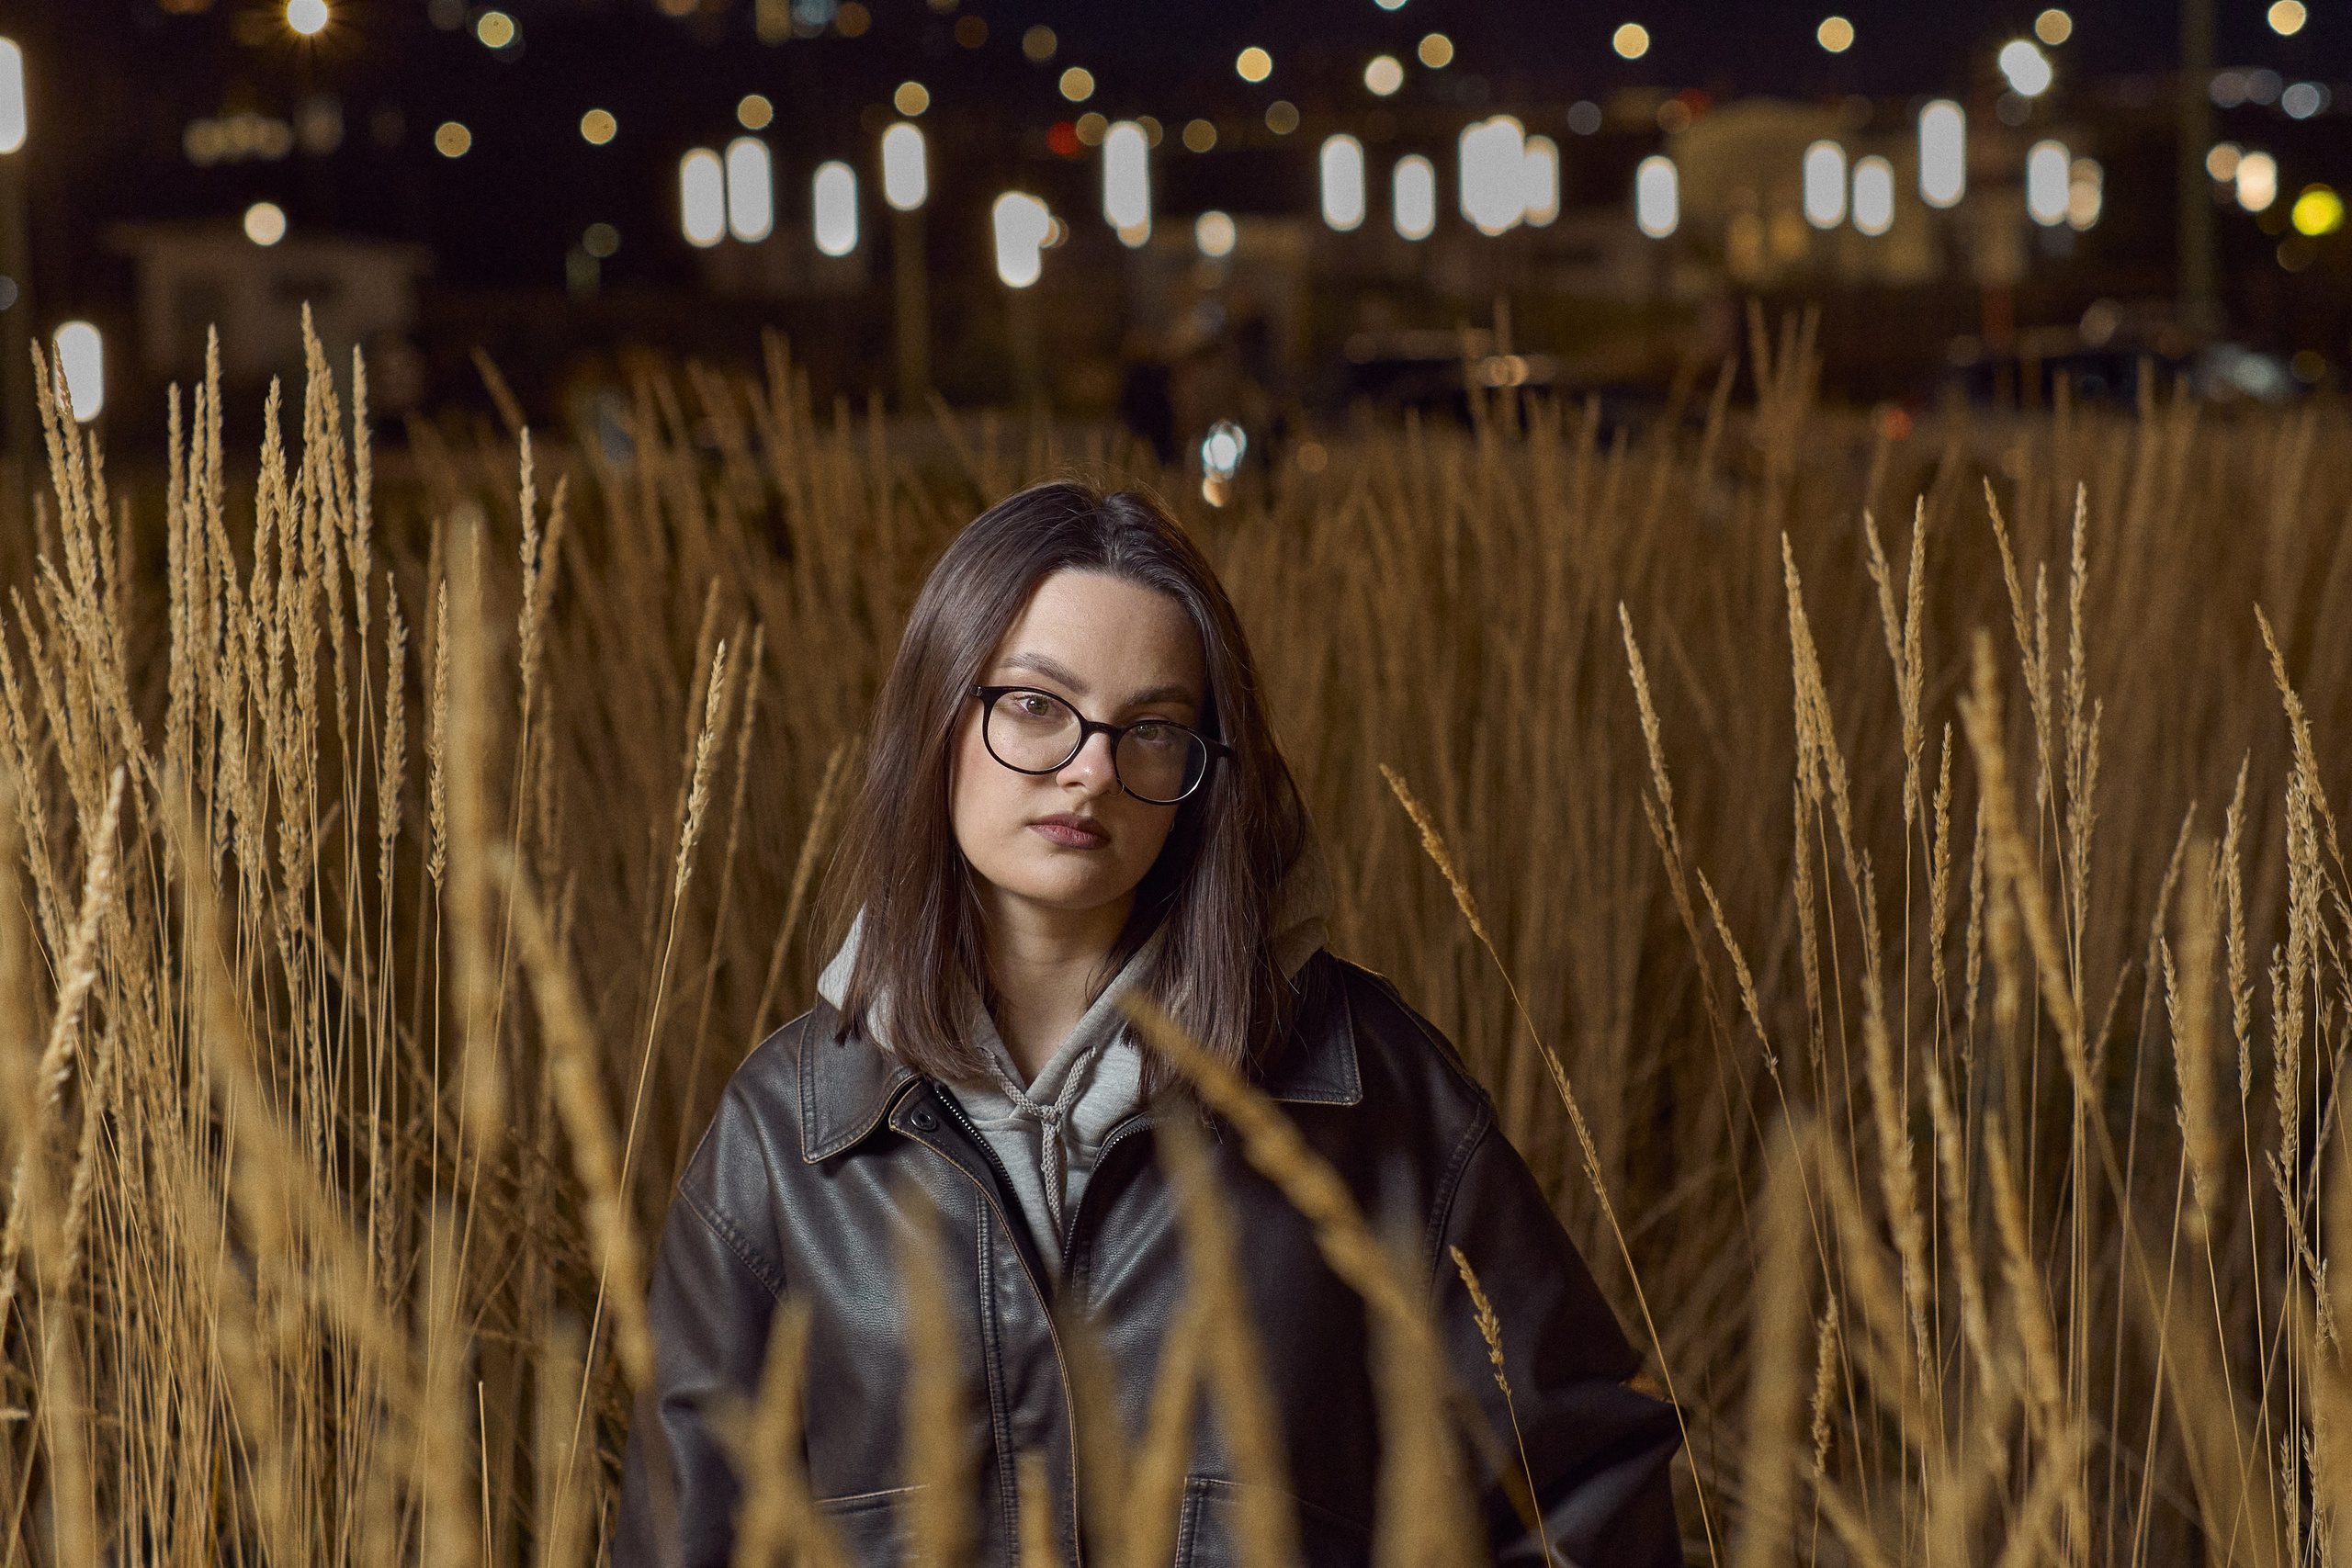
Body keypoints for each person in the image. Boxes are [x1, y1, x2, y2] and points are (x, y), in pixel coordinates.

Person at [616, 482, 1683, 1567]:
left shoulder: (1365, 1092)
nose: (1091, 768)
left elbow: (1584, 1495)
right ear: (939, 713)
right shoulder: (787, 1137)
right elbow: (681, 1542)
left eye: (1154, 728)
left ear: (1203, 771)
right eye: (1035, 704)